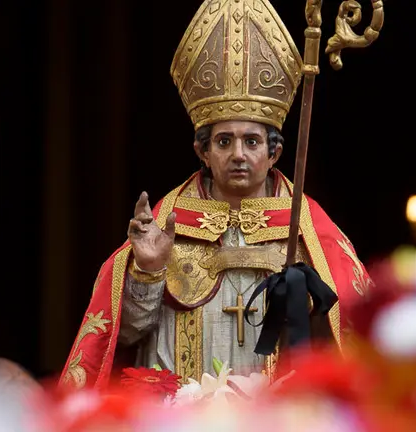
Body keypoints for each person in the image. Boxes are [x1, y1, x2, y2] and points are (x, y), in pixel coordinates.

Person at [58, 0, 372, 390]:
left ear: (274, 153)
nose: (238, 154)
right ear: (203, 152)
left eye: (252, 141)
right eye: (224, 141)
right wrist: (147, 273)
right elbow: (123, 336)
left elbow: (350, 347)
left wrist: (311, 301)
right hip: (181, 414)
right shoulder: (168, 223)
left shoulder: (309, 230)